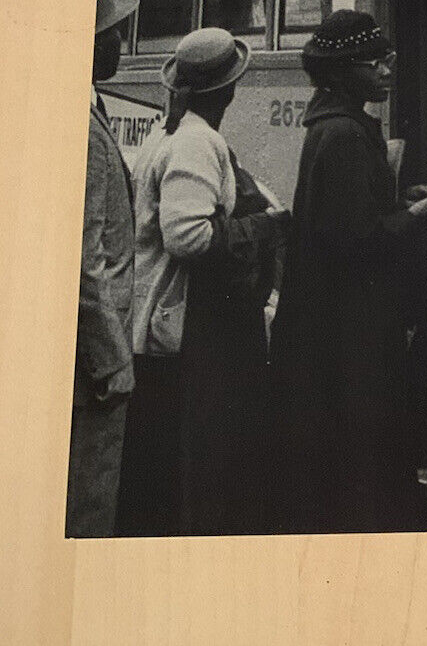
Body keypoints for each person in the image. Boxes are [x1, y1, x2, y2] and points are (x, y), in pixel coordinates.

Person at [270, 10, 427, 534]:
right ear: (348, 71)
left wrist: (399, 198)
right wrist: (414, 216)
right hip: (351, 333)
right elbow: (353, 240)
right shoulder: (346, 134)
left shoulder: (331, 126)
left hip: (331, 325)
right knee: (361, 461)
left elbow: (351, 215)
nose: (388, 70)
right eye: (377, 63)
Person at [118, 27, 287, 535]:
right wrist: (268, 226)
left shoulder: (170, 133)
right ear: (230, 88)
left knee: (164, 467)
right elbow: (187, 238)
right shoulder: (197, 141)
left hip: (158, 320)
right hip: (190, 327)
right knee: (201, 466)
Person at [67, 0, 138, 537]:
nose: (120, 41)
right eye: (111, 31)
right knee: (90, 503)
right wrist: (112, 360)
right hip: (91, 363)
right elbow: (84, 262)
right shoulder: (85, 131)